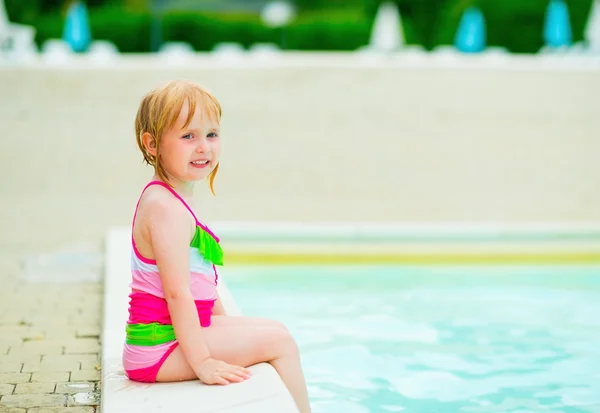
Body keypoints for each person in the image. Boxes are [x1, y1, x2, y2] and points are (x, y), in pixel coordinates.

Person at [122, 79, 312, 413]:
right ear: (152, 144)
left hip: (167, 339)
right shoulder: (165, 208)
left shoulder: (171, 197)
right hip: (157, 349)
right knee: (280, 342)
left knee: (278, 329)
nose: (204, 147)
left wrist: (223, 324)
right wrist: (204, 362)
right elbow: (177, 293)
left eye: (211, 134)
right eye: (188, 136)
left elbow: (200, 285)